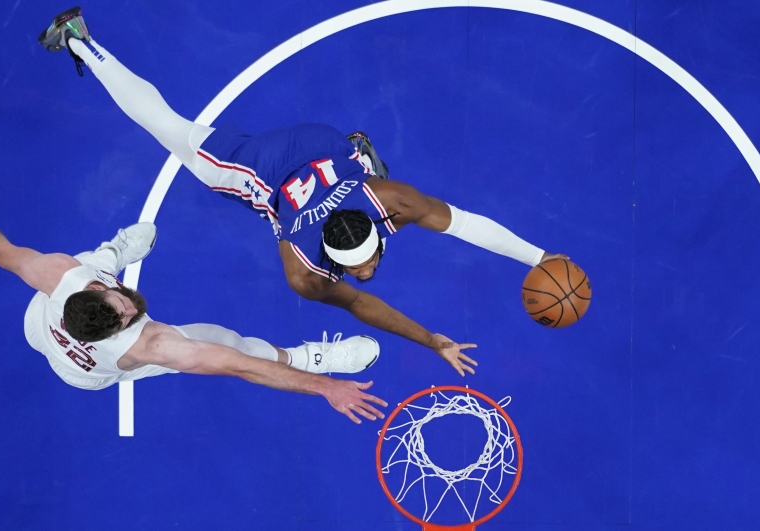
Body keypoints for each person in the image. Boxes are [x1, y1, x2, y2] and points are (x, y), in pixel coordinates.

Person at [38, 8, 568, 377]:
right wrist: (431, 340)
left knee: (201, 145)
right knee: (169, 130)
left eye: (366, 265)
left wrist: (539, 257)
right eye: (356, 269)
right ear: (332, 253)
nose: (365, 275)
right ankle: (79, 38)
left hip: (319, 145)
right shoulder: (304, 269)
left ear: (381, 230)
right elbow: (361, 305)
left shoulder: (393, 201)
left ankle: (353, 156)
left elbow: (468, 222)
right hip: (262, 167)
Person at [0, 177, 387, 424]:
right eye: (127, 316)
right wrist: (322, 384)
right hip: (84, 372)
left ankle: (114, 251)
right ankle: (311, 355)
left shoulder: (59, 275)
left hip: (39, 327)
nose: (133, 305)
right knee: (225, 342)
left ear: (95, 289)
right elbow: (240, 366)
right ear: (119, 330)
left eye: (118, 297)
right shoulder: (151, 345)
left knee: (81, 258)